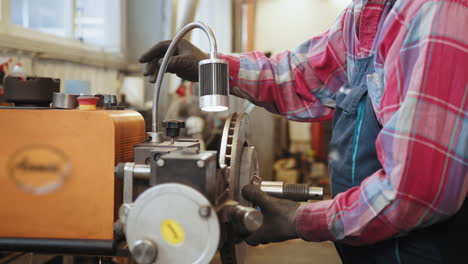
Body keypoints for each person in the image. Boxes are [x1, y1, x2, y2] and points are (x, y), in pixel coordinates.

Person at [139, 0, 467, 263]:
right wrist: (214, 68)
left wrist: (302, 219)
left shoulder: (437, 13)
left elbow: (414, 192)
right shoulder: (369, 12)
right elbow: (302, 76)